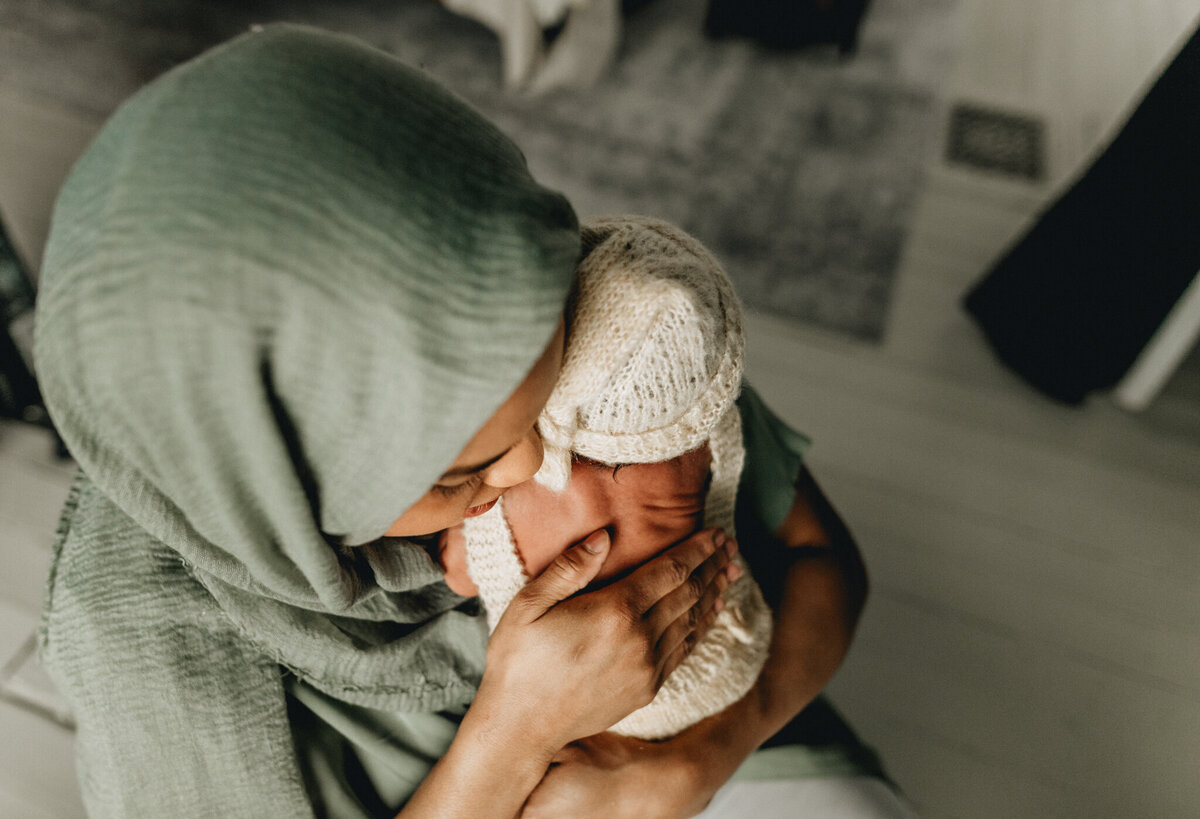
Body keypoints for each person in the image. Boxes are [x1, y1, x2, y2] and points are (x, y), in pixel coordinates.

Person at [33, 23, 904, 819]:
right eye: (460, 473)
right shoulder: (142, 640)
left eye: (542, 390)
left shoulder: (608, 338)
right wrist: (514, 731)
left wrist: (698, 760)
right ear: (278, 494)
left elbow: (827, 561)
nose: (533, 462)